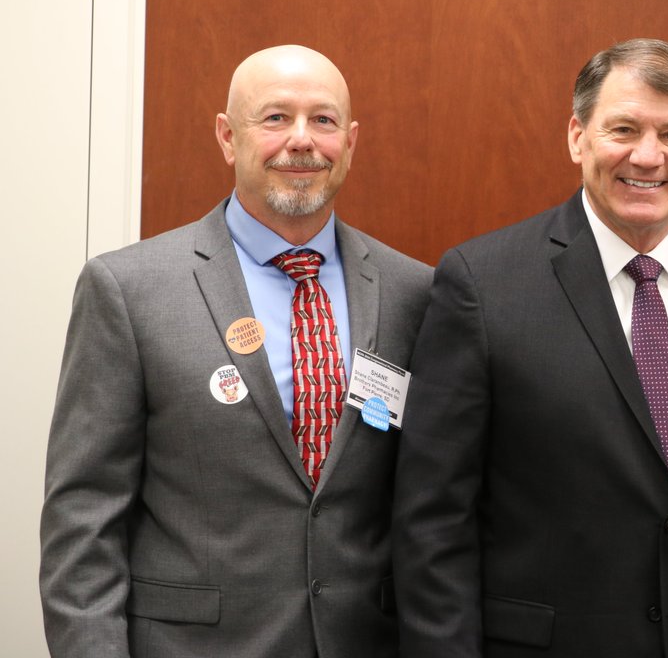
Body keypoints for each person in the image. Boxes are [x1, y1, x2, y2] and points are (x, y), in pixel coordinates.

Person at [393, 38, 668, 657]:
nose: (647, 155)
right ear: (578, 137)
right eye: (623, 129)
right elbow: (432, 521)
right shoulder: (484, 285)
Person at [40, 45, 432, 657]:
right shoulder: (129, 290)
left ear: (350, 141)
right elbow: (83, 518)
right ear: (228, 137)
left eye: (323, 121)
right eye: (275, 118)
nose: (301, 141)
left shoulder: (415, 292)